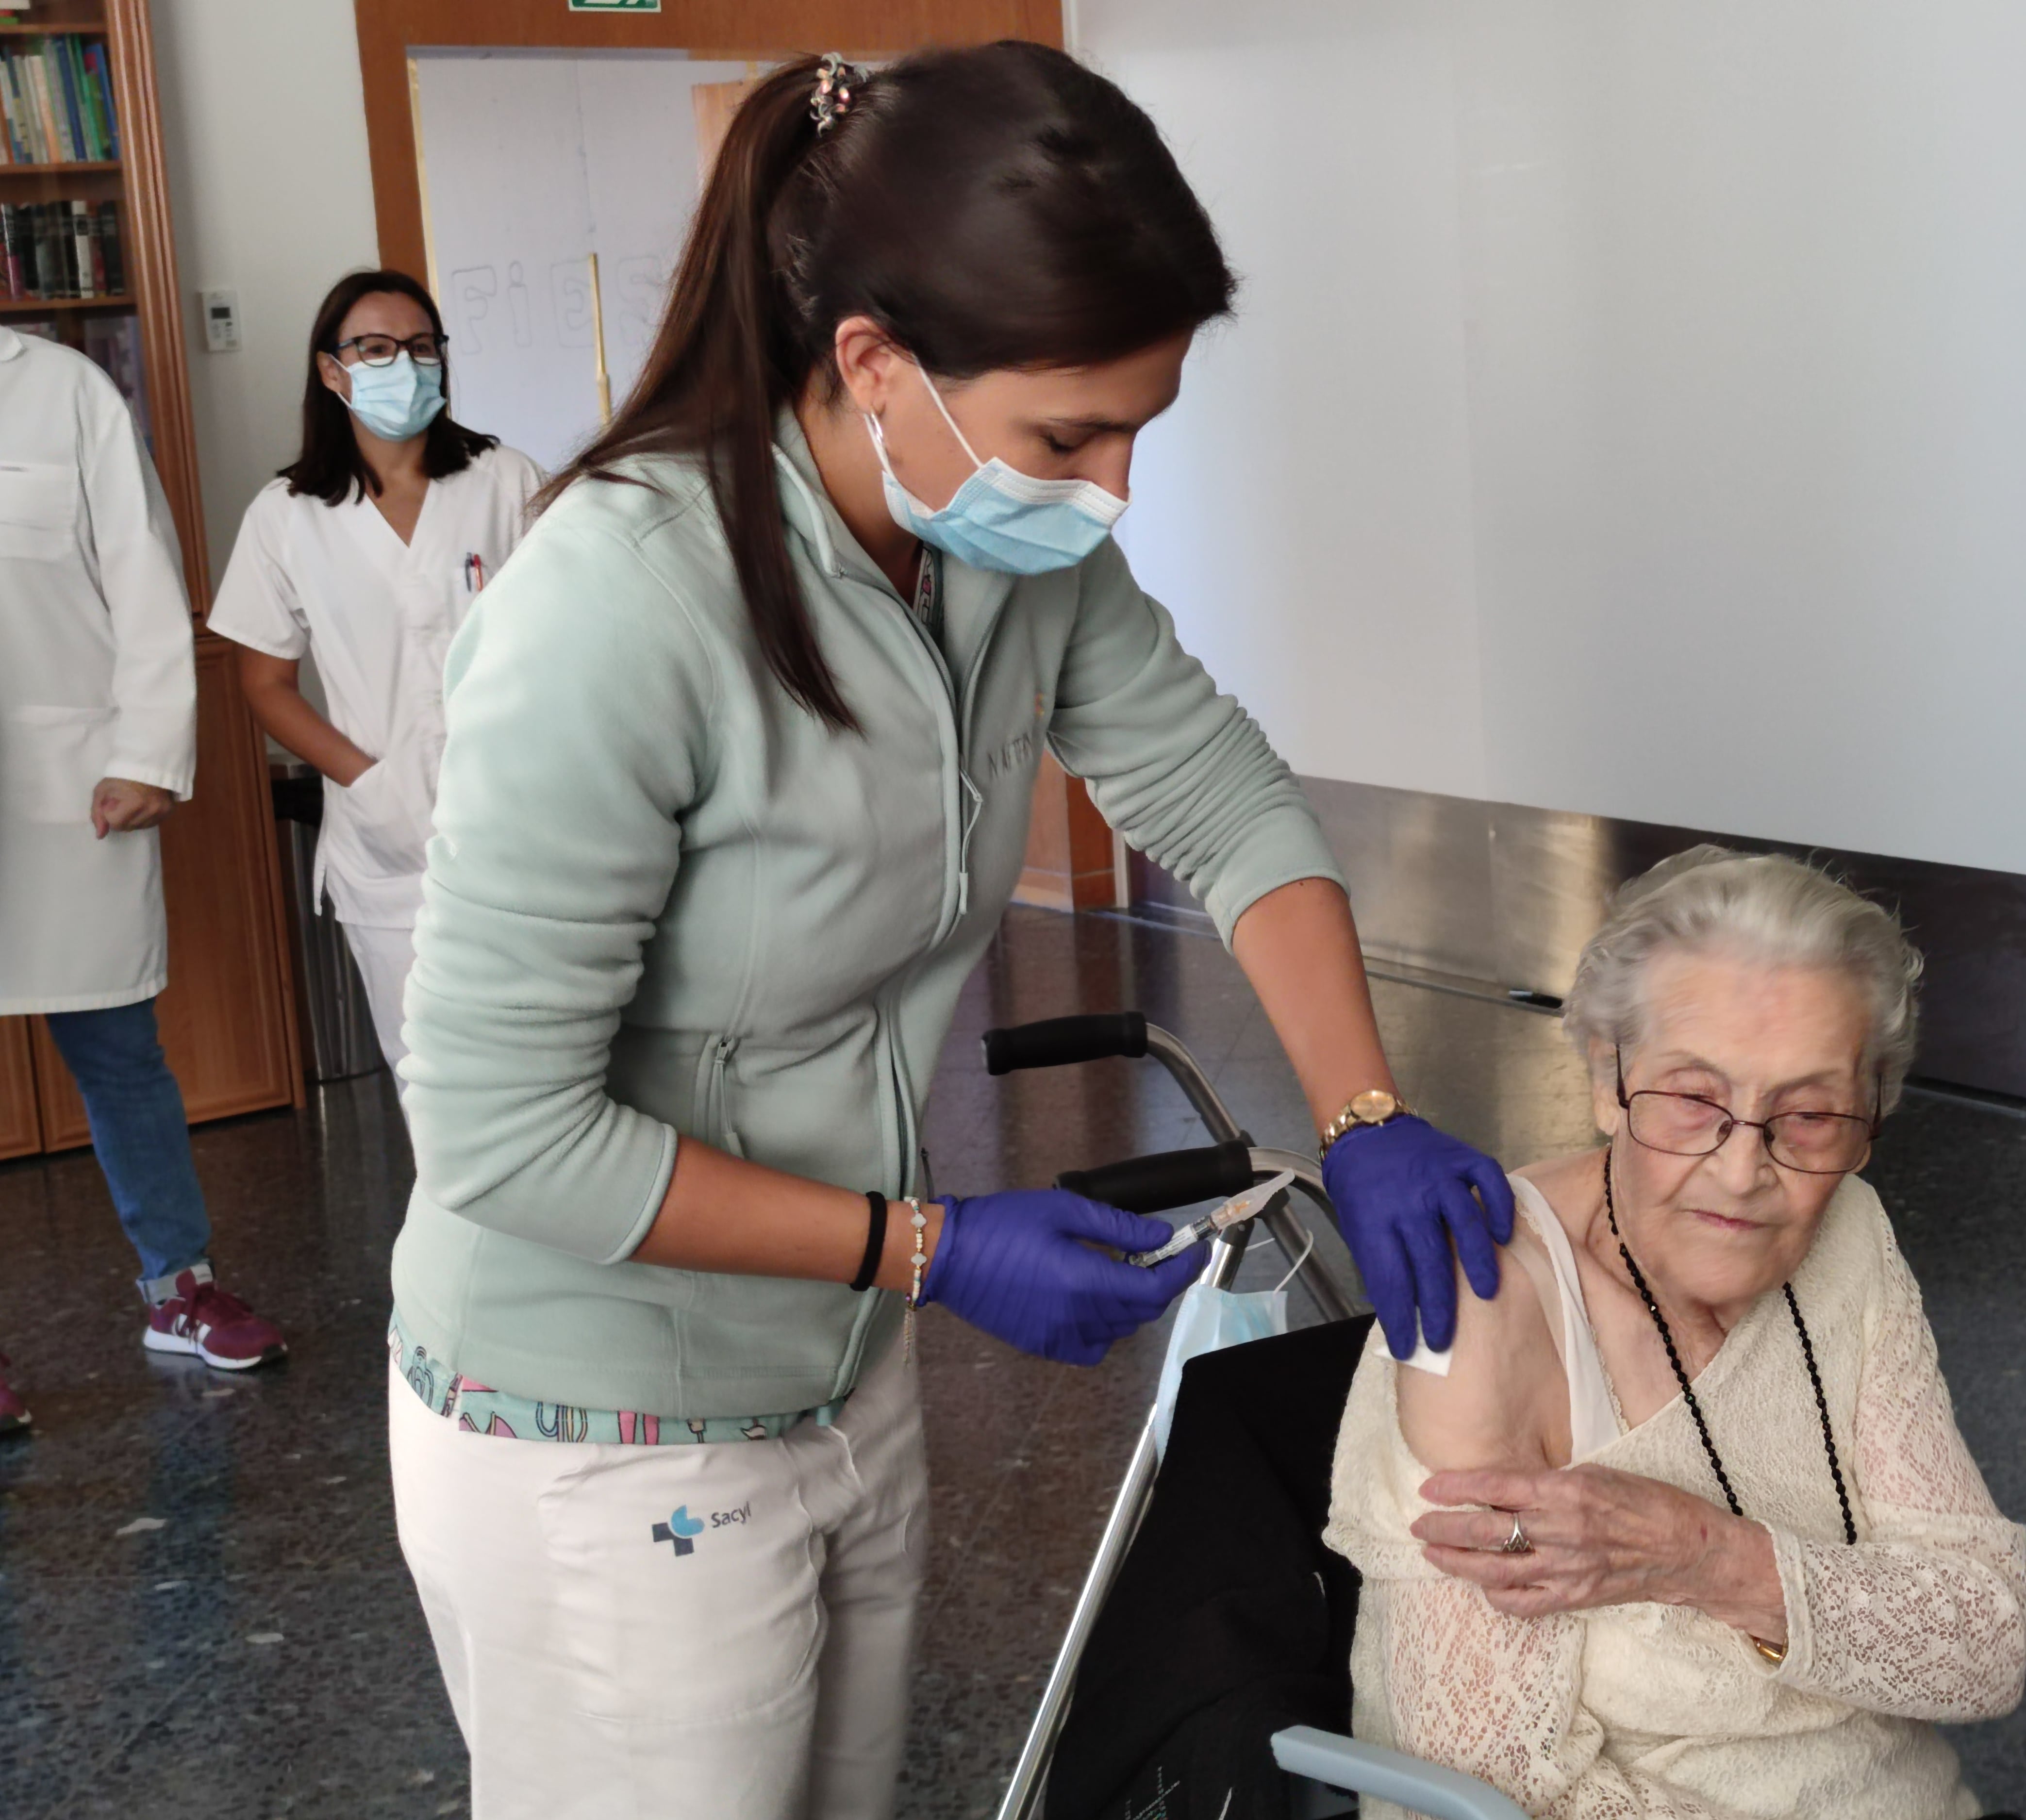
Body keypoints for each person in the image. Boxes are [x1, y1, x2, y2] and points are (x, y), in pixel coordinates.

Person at [382, 46, 1512, 1817]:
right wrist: (932, 1246)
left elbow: (1223, 799)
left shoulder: (1009, 555)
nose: (1115, 487)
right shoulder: (617, 608)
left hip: (835, 1366)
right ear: (872, 363)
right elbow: (502, 1135)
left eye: (1140, 429)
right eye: (1073, 435)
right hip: (595, 1421)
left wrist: (1365, 1109)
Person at [1326, 848, 2026, 1820]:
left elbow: (1982, 1648)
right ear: (1606, 1082)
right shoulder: (1487, 1305)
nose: (1743, 1170)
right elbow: (1486, 1781)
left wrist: (1702, 1555)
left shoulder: (1851, 1235)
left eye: (1811, 1115)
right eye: (1694, 1101)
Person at [0, 324, 287, 1427]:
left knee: (120, 1054)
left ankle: (180, 1290)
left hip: (73, 790)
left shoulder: (64, 391)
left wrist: (146, 754)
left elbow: (143, 570)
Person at [208, 270, 545, 1070]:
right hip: (389, 842)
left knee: (549, 1072)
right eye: (377, 347)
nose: (406, 363)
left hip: (526, 821)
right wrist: (368, 781)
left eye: (422, 346)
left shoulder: (506, 482)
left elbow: (569, 640)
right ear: (333, 370)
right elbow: (265, 683)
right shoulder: (286, 515)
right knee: (431, 1083)